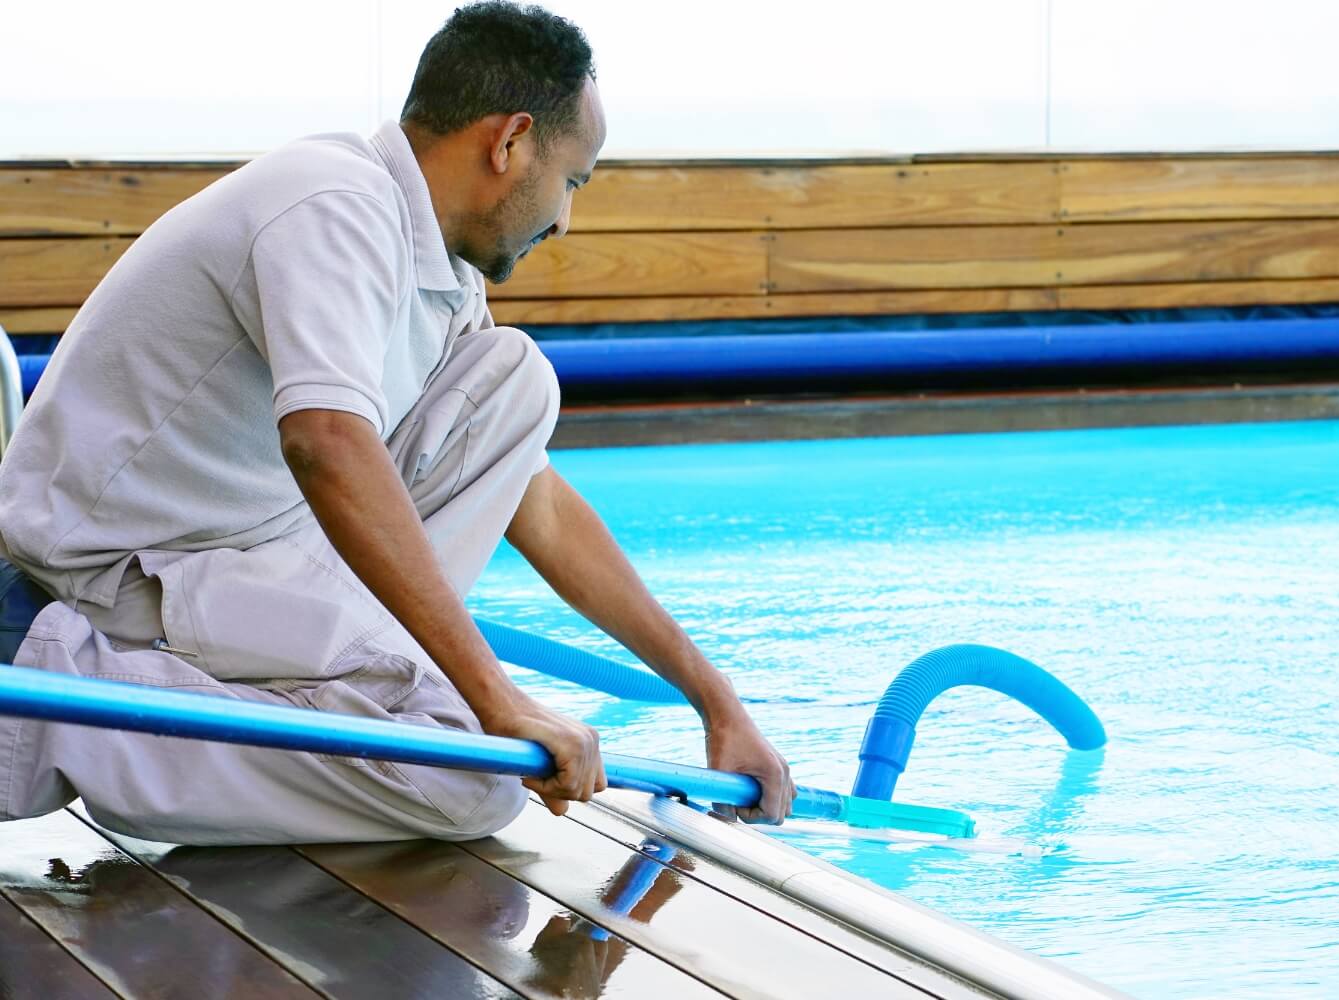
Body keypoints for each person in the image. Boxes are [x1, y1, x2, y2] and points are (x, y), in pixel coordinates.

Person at [0, 1, 794, 845]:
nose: (565, 220)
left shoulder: (442, 273)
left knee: (513, 381)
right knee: (473, 782)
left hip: (237, 554)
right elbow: (327, 445)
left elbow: (542, 507)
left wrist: (715, 701)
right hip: (118, 580)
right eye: (572, 181)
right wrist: (497, 700)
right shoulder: (331, 205)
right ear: (509, 141)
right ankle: (66, 715)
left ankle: (337, 682)